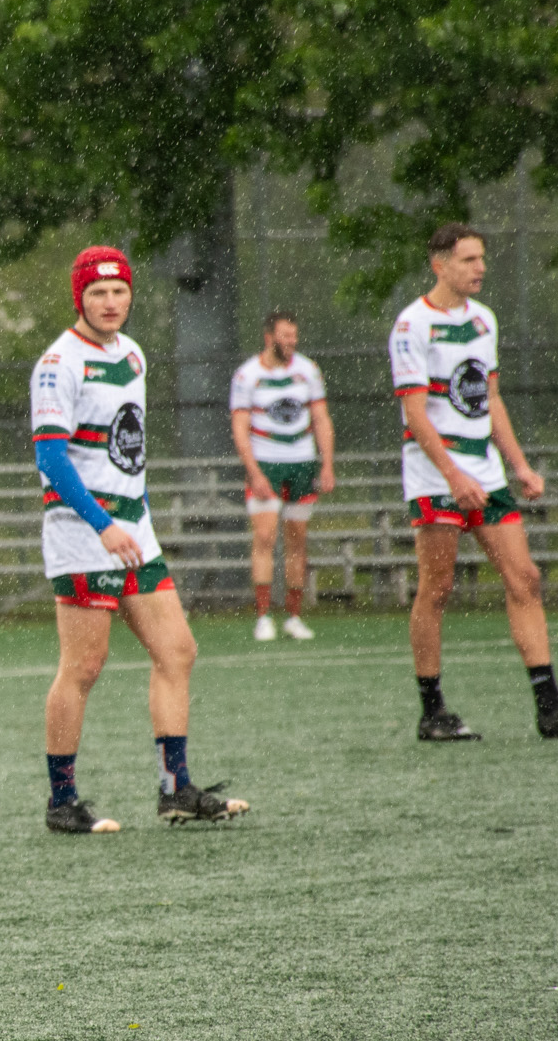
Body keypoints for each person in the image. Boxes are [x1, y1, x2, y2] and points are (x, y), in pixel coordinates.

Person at [33, 246, 249, 834]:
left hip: (134, 530)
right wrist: (102, 525)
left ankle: (175, 788)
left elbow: (126, 449)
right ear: (79, 296)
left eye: (119, 291)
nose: (109, 302)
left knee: (177, 650)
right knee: (83, 665)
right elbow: (50, 456)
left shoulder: (131, 355)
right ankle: (62, 801)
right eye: (98, 292)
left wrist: (134, 519)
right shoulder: (59, 363)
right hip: (83, 532)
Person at [391, 222, 558, 741]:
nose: (481, 268)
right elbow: (414, 414)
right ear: (440, 265)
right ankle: (433, 711)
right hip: (435, 474)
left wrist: (519, 466)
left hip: (485, 471)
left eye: (481, 259)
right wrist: (453, 475)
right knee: (438, 588)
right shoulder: (412, 326)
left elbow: (491, 398)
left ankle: (550, 706)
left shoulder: (483, 321)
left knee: (526, 579)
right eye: (470, 260)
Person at [230, 311, 336, 641]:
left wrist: (327, 464)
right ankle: (263, 616)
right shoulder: (247, 375)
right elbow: (240, 427)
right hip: (267, 465)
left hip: (302, 464)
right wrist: (254, 472)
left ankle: (293, 616)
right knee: (264, 538)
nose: (291, 342)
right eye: (285, 336)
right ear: (269, 337)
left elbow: (320, 418)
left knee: (297, 541)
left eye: (294, 336)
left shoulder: (307, 371)